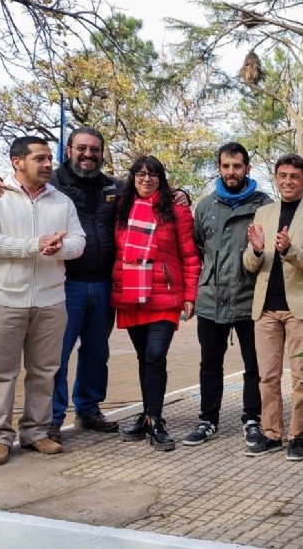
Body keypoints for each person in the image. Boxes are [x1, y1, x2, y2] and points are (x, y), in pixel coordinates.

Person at [0, 128, 190, 443]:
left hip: (105, 284)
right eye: (82, 148)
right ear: (69, 150)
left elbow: (147, 191)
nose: (88, 155)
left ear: (102, 153)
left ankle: (89, 410)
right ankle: (52, 419)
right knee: (57, 356)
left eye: (95, 149)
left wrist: (180, 192)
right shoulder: (51, 183)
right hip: (66, 283)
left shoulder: (114, 187)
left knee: (96, 352)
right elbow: (17, 181)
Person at [0, 136, 85, 465]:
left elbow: (78, 241)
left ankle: (36, 431)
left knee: (45, 370)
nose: (48, 164)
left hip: (51, 300)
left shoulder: (61, 202)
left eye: (50, 158)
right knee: (0, 372)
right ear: (17, 162)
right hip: (3, 298)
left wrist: (59, 249)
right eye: (39, 158)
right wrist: (35, 245)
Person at [242, 153, 303, 461]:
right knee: (267, 376)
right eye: (282, 175)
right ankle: (271, 434)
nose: (288, 181)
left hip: (301, 309)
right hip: (266, 308)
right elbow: (249, 264)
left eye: (294, 176)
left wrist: (290, 250)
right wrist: (255, 249)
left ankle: (296, 437)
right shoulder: (264, 212)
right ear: (276, 178)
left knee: (301, 377)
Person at [183, 142, 272, 447]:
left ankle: (252, 420)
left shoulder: (265, 205)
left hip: (250, 297)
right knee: (210, 363)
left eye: (237, 166)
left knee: (255, 365)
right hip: (211, 299)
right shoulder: (206, 206)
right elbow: (197, 248)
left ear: (247, 168)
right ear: (219, 169)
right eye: (225, 166)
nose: (231, 172)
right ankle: (208, 419)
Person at [111, 156, 200, 451]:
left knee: (155, 355)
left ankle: (155, 418)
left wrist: (190, 296)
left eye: (153, 175)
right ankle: (148, 415)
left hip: (164, 295)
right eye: (141, 174)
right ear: (132, 177)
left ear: (161, 179)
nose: (146, 179)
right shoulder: (120, 209)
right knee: (143, 359)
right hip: (131, 294)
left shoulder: (176, 210)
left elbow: (189, 256)